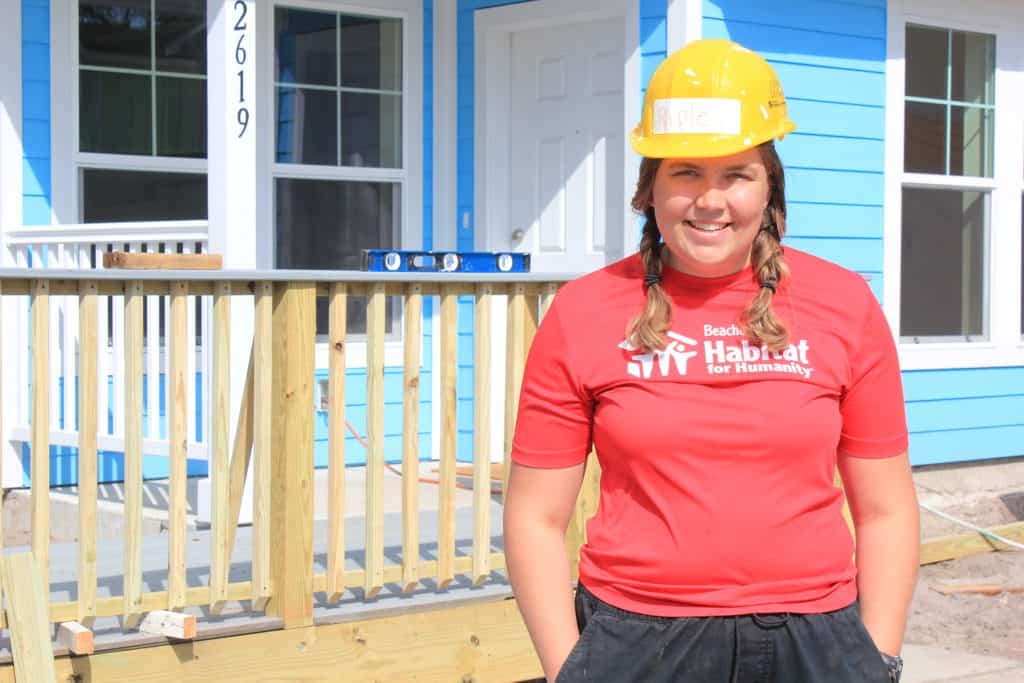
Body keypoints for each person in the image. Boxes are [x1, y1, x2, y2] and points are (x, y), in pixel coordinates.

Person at [503, 39, 920, 683]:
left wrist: (877, 657)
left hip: (815, 638)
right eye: (686, 172)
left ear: (768, 185)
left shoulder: (845, 303)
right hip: (637, 638)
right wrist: (569, 671)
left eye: (736, 174)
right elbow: (534, 516)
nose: (710, 199)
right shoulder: (584, 311)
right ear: (650, 187)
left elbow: (886, 507)